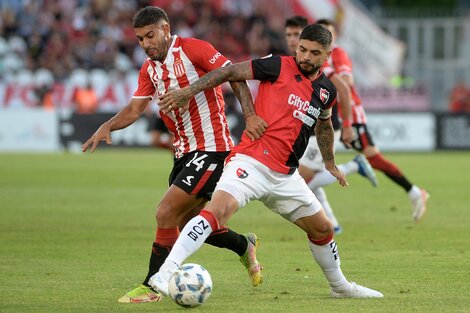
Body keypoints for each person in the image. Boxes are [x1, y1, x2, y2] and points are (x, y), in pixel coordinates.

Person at [152, 24, 383, 299]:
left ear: (328, 55)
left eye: (314, 53)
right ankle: (165, 272)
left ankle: (340, 287)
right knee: (217, 212)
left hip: (286, 176)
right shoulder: (276, 66)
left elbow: (324, 126)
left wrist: (330, 163)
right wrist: (191, 93)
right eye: (302, 49)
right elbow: (229, 72)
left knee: (322, 228)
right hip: (250, 162)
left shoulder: (326, 91)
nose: (306, 57)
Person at [81, 6, 268, 303]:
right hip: (184, 153)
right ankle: (244, 246)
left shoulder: (194, 49)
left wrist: (249, 115)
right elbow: (134, 109)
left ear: (166, 29)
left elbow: (234, 75)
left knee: (165, 212)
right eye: (140, 39)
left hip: (213, 149)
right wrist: (108, 125)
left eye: (150, 35)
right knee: (189, 225)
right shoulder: (149, 69)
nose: (146, 44)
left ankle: (152, 286)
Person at [312, 19, 429, 222]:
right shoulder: (317, 55)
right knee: (317, 165)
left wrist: (347, 123)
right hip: (330, 113)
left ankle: (414, 192)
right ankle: (414, 192)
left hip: (349, 114)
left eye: (330, 34)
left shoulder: (337, 54)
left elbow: (346, 84)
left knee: (371, 158)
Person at [285, 16, 378, 234]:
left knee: (301, 179)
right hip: (306, 130)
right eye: (288, 35)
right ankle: (333, 224)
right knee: (303, 179)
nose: (291, 39)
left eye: (295, 34)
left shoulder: (321, 65)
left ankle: (354, 166)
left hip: (323, 129)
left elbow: (344, 90)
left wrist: (347, 125)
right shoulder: (294, 62)